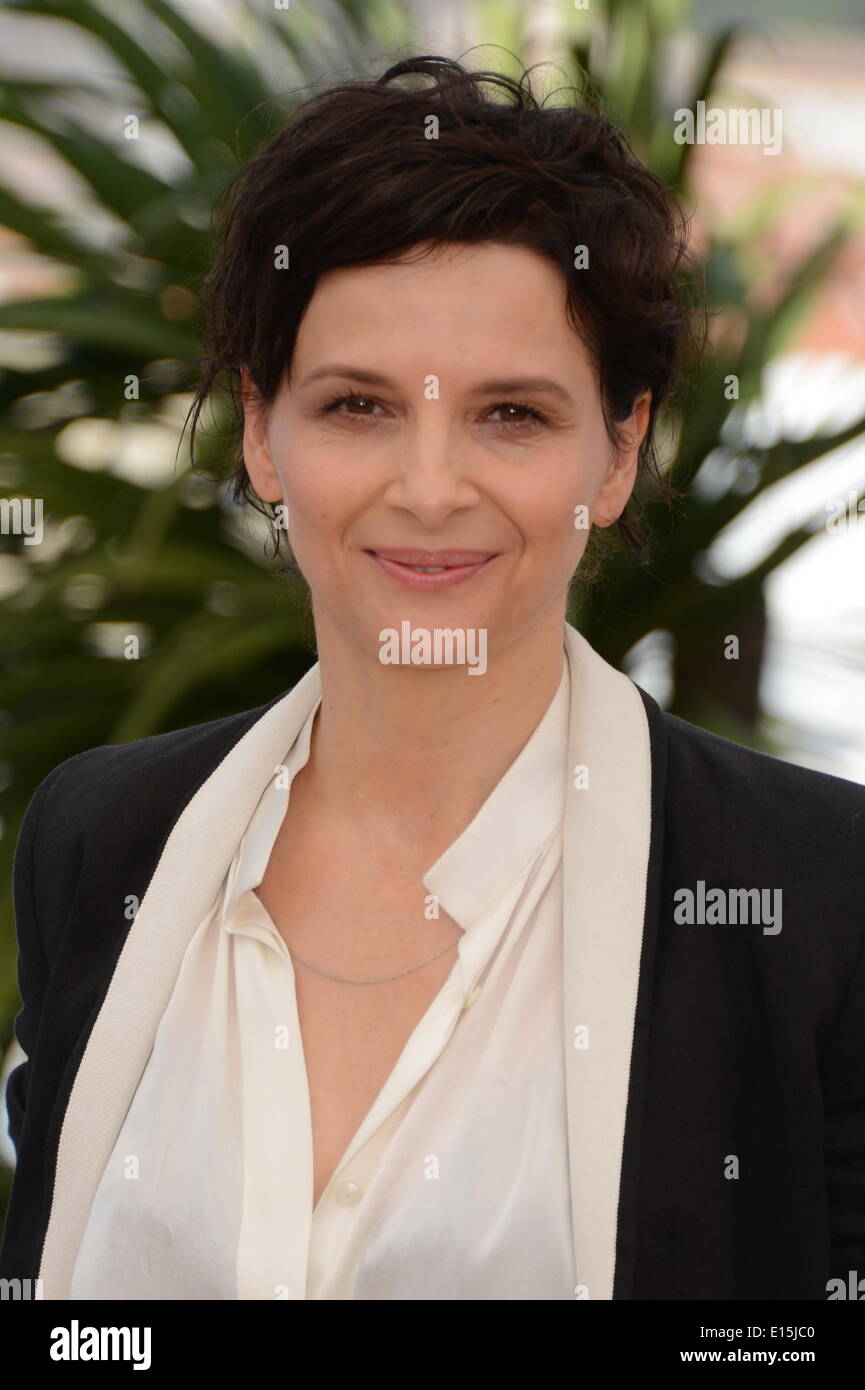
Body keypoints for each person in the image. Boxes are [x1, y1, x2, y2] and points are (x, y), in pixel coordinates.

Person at [1, 55, 863, 1301]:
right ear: (262, 429)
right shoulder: (101, 839)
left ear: (617, 453)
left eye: (510, 414)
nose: (428, 487)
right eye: (357, 405)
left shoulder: (816, 897)